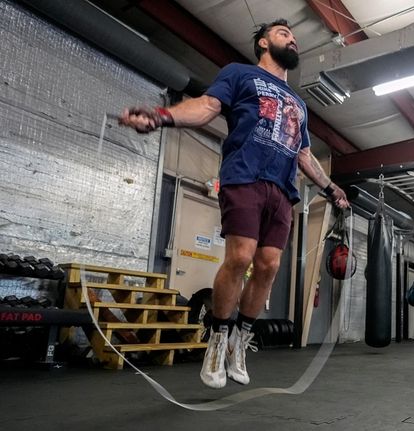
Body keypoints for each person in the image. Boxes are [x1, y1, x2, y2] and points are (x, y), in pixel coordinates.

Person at [118, 19, 349, 389]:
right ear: (262, 43)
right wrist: (163, 116)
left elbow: (304, 154)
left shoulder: (300, 105)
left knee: (269, 266)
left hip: (283, 190)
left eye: (292, 36)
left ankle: (240, 340)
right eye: (282, 34)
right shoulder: (240, 74)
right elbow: (208, 106)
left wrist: (331, 188)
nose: (291, 39)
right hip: (244, 176)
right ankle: (217, 339)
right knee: (240, 258)